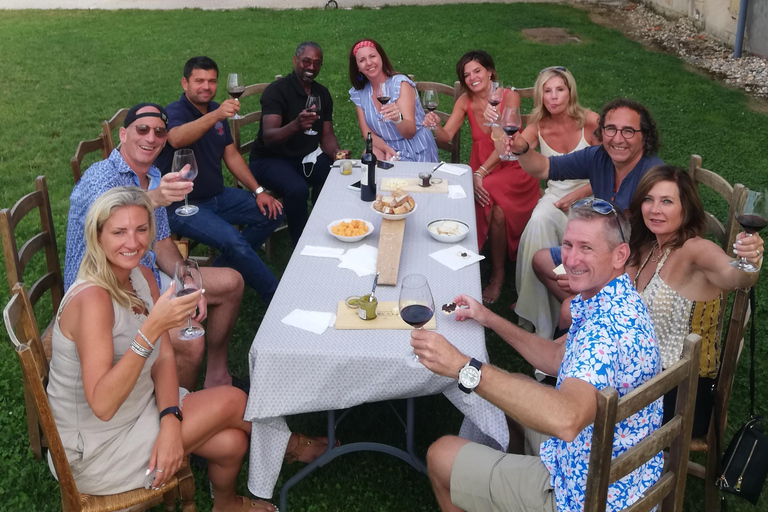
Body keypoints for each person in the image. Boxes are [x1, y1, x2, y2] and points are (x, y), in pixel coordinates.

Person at [50, 187, 333, 512]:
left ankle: (225, 504)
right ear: (97, 236)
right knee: (234, 400)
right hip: (98, 447)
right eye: (119, 232)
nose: (133, 242)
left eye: (141, 229)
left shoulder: (140, 276)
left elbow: (165, 357)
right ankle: (291, 445)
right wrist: (152, 329)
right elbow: (101, 404)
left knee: (231, 442)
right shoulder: (92, 300)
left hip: (140, 408)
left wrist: (171, 420)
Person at [412, 201, 662, 512]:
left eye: (586, 248)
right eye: (568, 244)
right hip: (618, 469)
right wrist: (488, 317)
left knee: (440, 455)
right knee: (512, 386)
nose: (571, 259)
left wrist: (465, 368)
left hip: (588, 495)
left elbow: (567, 420)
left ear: (620, 254)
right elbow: (558, 356)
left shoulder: (605, 333)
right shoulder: (617, 298)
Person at [65, 103, 244, 391]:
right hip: (103, 289)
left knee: (232, 282)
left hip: (141, 277)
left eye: (160, 132)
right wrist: (155, 198)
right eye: (142, 129)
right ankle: (172, 413)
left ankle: (217, 376)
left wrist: (185, 280)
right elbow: (108, 219)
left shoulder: (155, 177)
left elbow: (160, 241)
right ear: (123, 134)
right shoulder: (100, 177)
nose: (151, 138)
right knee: (191, 339)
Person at [506, 97, 663, 332]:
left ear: (645, 137)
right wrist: (523, 149)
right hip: (601, 254)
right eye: (611, 129)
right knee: (541, 261)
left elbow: (655, 250)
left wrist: (591, 280)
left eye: (629, 131)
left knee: (569, 308)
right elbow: (545, 167)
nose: (618, 139)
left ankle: (581, 320)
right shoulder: (599, 157)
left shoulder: (654, 177)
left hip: (635, 269)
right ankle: (590, 317)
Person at [627, 165, 762, 436]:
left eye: (667, 201)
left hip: (683, 391)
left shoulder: (696, 251)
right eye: (649, 199)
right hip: (645, 373)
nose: (655, 209)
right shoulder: (650, 246)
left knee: (590, 405)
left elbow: (734, 276)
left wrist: (750, 261)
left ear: (685, 208)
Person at [155, 56, 284, 303]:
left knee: (273, 213)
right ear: (185, 83)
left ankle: (218, 273)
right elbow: (176, 139)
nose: (206, 86)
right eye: (199, 81)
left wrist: (259, 191)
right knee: (234, 241)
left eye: (212, 81)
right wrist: (215, 116)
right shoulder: (175, 112)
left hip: (219, 196)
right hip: (182, 206)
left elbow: (231, 155)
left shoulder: (216, 109)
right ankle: (276, 297)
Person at [423, 50, 539, 304]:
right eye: (467, 75)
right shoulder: (465, 101)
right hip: (482, 170)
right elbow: (447, 136)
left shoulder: (509, 97)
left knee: (492, 201)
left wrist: (479, 173)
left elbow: (509, 144)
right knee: (486, 202)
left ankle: (497, 276)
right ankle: (471, 261)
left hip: (513, 167)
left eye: (477, 71)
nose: (473, 78)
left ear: (490, 72)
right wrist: (435, 125)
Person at [513, 67, 599, 336]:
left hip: (591, 195)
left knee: (557, 222)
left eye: (559, 89)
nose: (553, 97)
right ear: (540, 96)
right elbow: (515, 149)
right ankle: (540, 317)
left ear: (570, 91)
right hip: (555, 195)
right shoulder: (538, 125)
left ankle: (557, 302)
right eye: (547, 91)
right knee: (539, 219)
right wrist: (499, 129)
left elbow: (612, 169)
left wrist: (578, 194)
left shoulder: (592, 121)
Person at [249, 41, 345, 246]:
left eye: (317, 63)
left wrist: (337, 154)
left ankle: (325, 228)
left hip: (304, 158)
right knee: (297, 188)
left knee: (334, 175)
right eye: (306, 61)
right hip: (270, 159)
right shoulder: (277, 91)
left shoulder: (322, 94)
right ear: (295, 60)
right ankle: (300, 243)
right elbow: (269, 137)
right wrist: (296, 125)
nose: (311, 67)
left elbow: (327, 135)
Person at [348, 39, 438, 162]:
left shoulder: (400, 84)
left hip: (415, 147)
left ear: (381, 58)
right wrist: (386, 148)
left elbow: (409, 133)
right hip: (388, 147)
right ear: (358, 67)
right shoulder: (359, 93)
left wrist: (398, 119)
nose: (369, 63)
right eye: (362, 60)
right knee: (370, 157)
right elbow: (368, 135)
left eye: (372, 56)